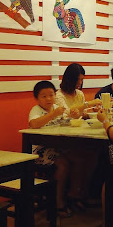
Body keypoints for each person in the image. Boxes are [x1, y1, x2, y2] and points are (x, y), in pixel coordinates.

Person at [55, 63, 102, 212]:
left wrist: (94, 112)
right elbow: (65, 113)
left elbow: (81, 114)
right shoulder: (59, 95)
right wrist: (88, 104)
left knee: (93, 156)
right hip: (61, 140)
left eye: (82, 79)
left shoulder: (79, 94)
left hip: (78, 137)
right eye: (78, 79)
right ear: (70, 79)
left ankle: (80, 194)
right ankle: (72, 195)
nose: (80, 83)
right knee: (81, 158)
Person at [28, 81, 70, 212]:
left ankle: (74, 195)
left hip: (57, 147)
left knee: (81, 157)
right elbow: (34, 124)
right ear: (37, 98)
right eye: (44, 96)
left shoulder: (56, 107)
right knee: (63, 164)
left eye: (51, 95)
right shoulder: (36, 110)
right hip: (39, 150)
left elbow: (66, 121)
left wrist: (73, 115)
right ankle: (57, 201)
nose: (48, 99)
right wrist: (53, 114)